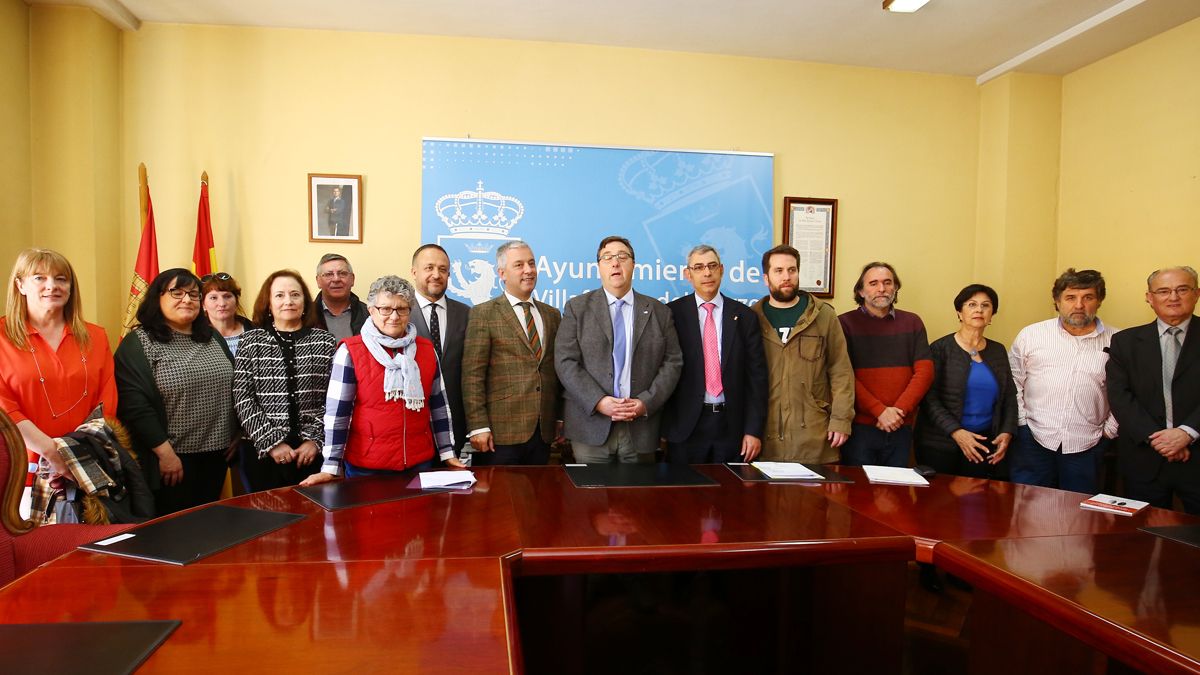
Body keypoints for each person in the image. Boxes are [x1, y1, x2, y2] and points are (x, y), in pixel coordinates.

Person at [301, 276, 465, 486]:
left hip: (419, 462)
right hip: (367, 468)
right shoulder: (351, 351)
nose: (394, 317)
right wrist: (331, 467)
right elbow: (338, 414)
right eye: (385, 309)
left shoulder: (425, 350)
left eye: (402, 309)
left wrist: (448, 453)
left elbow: (438, 407)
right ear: (371, 310)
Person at [0, 248, 118, 521]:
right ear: (20, 285)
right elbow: (4, 409)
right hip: (20, 471)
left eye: (61, 278)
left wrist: (75, 456)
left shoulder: (96, 336)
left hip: (86, 466)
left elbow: (106, 404)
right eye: (39, 278)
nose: (51, 286)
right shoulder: (3, 337)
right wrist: (53, 454)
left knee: (88, 556)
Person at [115, 268, 238, 515]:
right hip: (169, 461)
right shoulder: (140, 342)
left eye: (194, 294)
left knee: (207, 530)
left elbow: (234, 387)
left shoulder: (212, 336)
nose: (187, 299)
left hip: (216, 457)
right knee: (172, 536)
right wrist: (165, 454)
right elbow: (135, 406)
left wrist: (235, 432)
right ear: (156, 298)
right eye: (177, 292)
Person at [554, 236, 682, 464]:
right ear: (599, 267)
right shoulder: (577, 308)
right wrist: (598, 401)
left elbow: (672, 362)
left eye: (623, 257)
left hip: (641, 427)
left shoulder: (659, 312)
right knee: (591, 497)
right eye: (608, 258)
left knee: (637, 497)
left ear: (633, 265)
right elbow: (565, 362)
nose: (615, 263)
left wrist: (646, 403)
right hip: (590, 426)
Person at [1008, 269, 1118, 493]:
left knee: (1079, 515)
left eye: (1088, 297)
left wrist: (1109, 431)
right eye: (1070, 297)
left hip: (1088, 443)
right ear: (1057, 301)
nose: (1079, 305)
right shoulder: (1031, 335)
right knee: (1027, 510)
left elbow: (1126, 391)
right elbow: (1013, 380)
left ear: (1099, 301)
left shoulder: (1118, 341)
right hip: (1034, 439)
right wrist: (1022, 423)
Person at [1107, 266, 1200, 514]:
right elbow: (1120, 396)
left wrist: (1187, 433)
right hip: (1144, 458)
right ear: (1149, 297)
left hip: (1197, 455)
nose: (1173, 297)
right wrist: (1158, 439)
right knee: (1143, 539)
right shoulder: (1124, 342)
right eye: (1163, 291)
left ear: (1197, 293)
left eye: (1182, 289)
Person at [663, 244, 768, 464]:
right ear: (688, 275)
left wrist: (753, 430)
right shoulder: (671, 314)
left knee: (731, 496)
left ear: (721, 269)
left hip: (732, 428)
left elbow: (757, 378)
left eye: (712, 266)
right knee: (685, 495)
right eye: (699, 267)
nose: (707, 273)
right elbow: (663, 371)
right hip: (686, 428)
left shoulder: (744, 317)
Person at [233, 270, 337, 491]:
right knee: (267, 520)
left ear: (305, 302)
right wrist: (272, 443)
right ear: (268, 303)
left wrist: (315, 441)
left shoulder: (325, 341)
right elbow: (243, 397)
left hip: (312, 454)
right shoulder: (251, 341)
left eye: (295, 295)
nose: (288, 301)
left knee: (315, 518)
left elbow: (334, 399)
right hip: (263, 452)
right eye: (279, 295)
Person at [750, 244, 854, 463]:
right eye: (778, 271)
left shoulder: (823, 315)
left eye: (792, 270)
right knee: (766, 497)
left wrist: (841, 420)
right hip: (766, 438)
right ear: (766, 278)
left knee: (816, 497)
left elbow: (840, 371)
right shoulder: (752, 319)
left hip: (815, 437)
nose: (786, 276)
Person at [461, 241, 562, 465]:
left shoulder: (552, 315)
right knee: (500, 500)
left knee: (538, 498)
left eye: (532, 263)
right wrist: (478, 425)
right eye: (519, 265)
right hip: (499, 434)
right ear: (502, 273)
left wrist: (560, 416)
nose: (528, 270)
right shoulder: (483, 313)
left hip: (542, 432)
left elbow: (557, 370)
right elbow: (472, 376)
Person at [838, 262, 933, 467]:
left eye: (887, 282)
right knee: (858, 495)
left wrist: (898, 411)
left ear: (895, 288)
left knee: (895, 495)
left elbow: (925, 372)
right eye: (873, 283)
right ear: (861, 291)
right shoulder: (844, 324)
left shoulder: (913, 322)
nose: (881, 289)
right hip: (859, 429)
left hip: (901, 426)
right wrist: (879, 411)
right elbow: (843, 375)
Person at [917, 284, 1017, 479]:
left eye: (985, 305)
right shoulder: (940, 349)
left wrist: (1007, 431)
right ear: (959, 313)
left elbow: (1009, 397)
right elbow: (929, 398)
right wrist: (956, 432)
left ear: (991, 315)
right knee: (937, 504)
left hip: (984, 443)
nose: (979, 310)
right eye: (972, 304)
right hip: (940, 444)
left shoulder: (998, 351)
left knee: (975, 503)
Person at [410, 244, 469, 458]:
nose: (436, 275)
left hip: (455, 425)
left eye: (443, 269)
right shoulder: (398, 314)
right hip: (412, 426)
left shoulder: (467, 314)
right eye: (429, 268)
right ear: (414, 272)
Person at [314, 253, 368, 341]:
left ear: (352, 279)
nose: (336, 279)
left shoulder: (370, 315)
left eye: (342, 273)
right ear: (318, 281)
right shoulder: (305, 316)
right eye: (329, 274)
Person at [201, 272, 254, 356]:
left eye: (227, 296)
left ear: (236, 301)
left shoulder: (256, 331)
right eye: (213, 298)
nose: (222, 303)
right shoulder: (196, 337)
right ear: (203, 304)